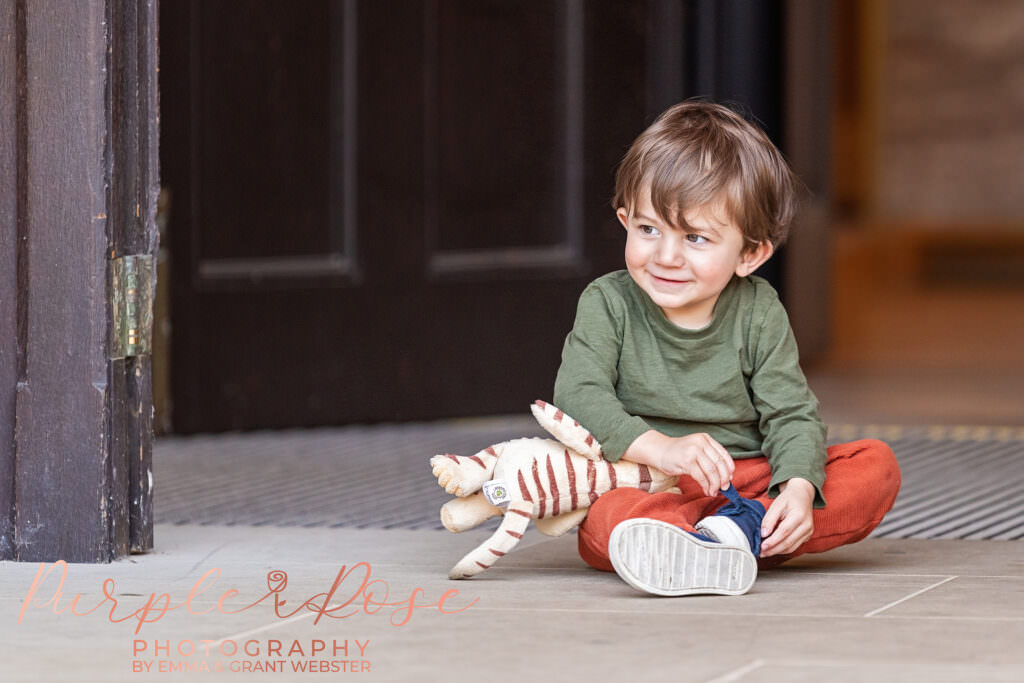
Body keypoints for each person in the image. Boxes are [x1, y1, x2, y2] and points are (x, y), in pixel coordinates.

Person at [552, 100, 900, 596]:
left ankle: (738, 532)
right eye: (648, 229)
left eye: (695, 238)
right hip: (649, 480)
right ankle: (724, 542)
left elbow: (792, 414)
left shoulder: (759, 311)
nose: (666, 256)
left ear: (751, 254)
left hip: (748, 483)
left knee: (874, 466)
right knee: (606, 522)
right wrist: (664, 449)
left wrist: (796, 489)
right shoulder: (609, 302)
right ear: (625, 219)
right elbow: (578, 393)